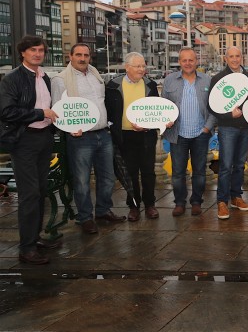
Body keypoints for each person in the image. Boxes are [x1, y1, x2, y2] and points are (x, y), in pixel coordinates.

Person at [52, 43, 125, 234]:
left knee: (108, 178)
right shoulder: (60, 80)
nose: (82, 58)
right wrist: (68, 128)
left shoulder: (95, 75)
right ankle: (85, 218)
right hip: (80, 138)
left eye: (86, 55)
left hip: (103, 133)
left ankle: (102, 211)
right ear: (70, 56)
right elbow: (57, 110)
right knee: (82, 181)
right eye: (78, 55)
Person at [0, 36, 60, 265]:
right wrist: (39, 114)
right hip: (23, 140)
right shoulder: (12, 79)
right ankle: (26, 249)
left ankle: (34, 238)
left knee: (41, 190)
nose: (37, 54)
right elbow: (7, 112)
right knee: (29, 194)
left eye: (41, 50)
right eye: (33, 50)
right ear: (22, 53)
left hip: (44, 138)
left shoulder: (45, 77)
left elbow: (53, 109)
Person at [105, 52, 160, 222]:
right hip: (124, 136)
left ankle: (150, 205)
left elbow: (157, 110)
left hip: (147, 135)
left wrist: (153, 124)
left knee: (149, 172)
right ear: (127, 67)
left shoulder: (150, 84)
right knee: (130, 174)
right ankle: (134, 206)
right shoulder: (113, 85)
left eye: (143, 66)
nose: (142, 69)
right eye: (138, 66)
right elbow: (107, 110)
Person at [161, 47, 215, 217]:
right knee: (178, 172)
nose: (188, 63)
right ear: (179, 62)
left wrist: (207, 128)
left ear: (196, 61)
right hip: (178, 134)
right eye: (184, 60)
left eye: (191, 60)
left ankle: (197, 201)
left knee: (199, 171)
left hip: (201, 133)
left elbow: (215, 107)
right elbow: (163, 106)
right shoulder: (169, 80)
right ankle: (179, 203)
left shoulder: (207, 80)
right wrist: (165, 120)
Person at [208, 46, 248, 220]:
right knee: (226, 166)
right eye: (231, 56)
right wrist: (230, 114)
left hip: (245, 128)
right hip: (227, 128)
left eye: (238, 56)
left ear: (241, 57)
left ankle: (236, 197)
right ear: (225, 58)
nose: (235, 59)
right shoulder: (218, 79)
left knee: (239, 165)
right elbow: (211, 107)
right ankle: (222, 202)